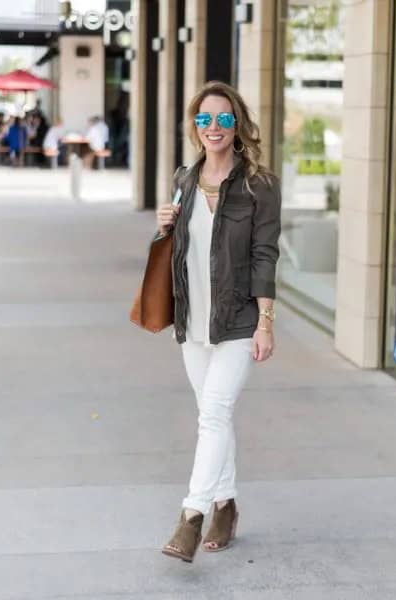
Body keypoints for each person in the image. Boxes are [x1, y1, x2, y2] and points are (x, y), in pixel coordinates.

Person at [157, 81, 281, 563]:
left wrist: (265, 320)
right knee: (214, 415)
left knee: (214, 413)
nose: (214, 127)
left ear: (237, 125)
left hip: (237, 320)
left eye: (224, 119)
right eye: (205, 119)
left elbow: (264, 254)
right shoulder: (185, 179)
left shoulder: (258, 186)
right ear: (195, 126)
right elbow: (176, 249)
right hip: (193, 320)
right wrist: (164, 225)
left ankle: (191, 515)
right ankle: (225, 506)